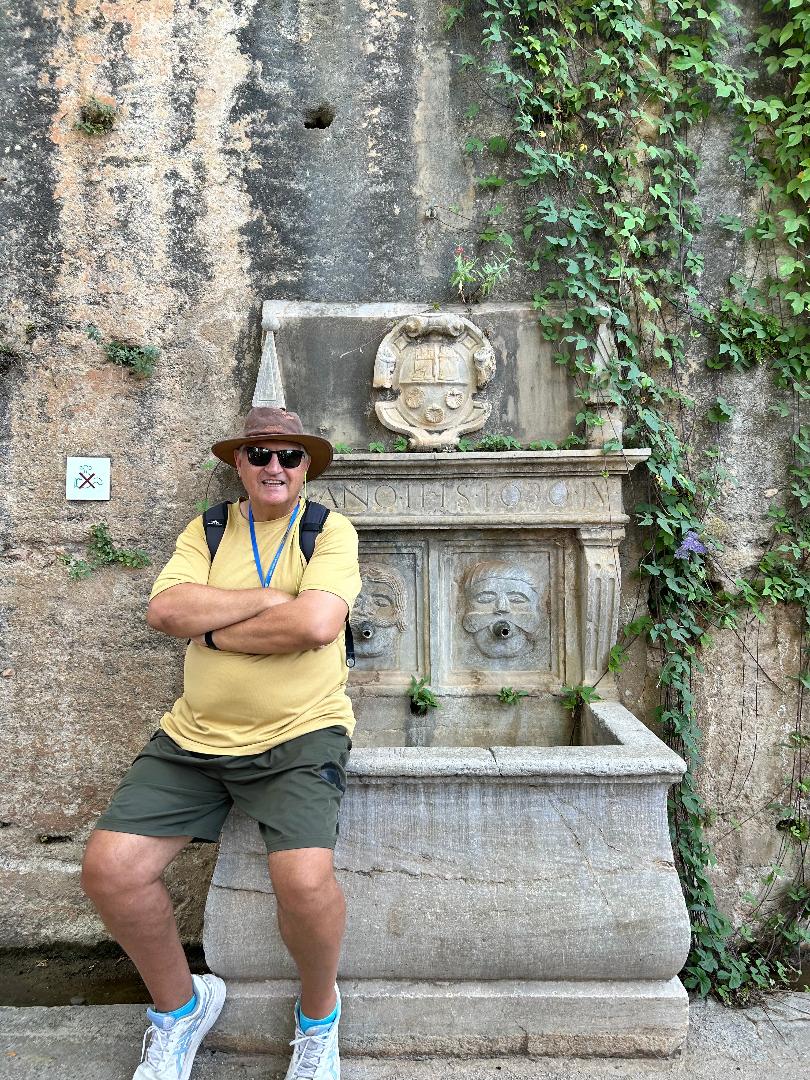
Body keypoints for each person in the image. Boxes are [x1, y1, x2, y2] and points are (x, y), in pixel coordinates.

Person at [81, 407, 361, 1080]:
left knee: (304, 880)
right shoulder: (207, 529)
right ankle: (181, 1010)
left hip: (300, 734)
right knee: (111, 870)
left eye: (289, 456)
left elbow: (317, 624)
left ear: (306, 467)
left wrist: (212, 628)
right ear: (239, 463)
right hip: (194, 738)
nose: (274, 466)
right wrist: (268, 600)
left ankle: (319, 1018)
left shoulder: (329, 530)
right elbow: (165, 610)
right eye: (259, 454)